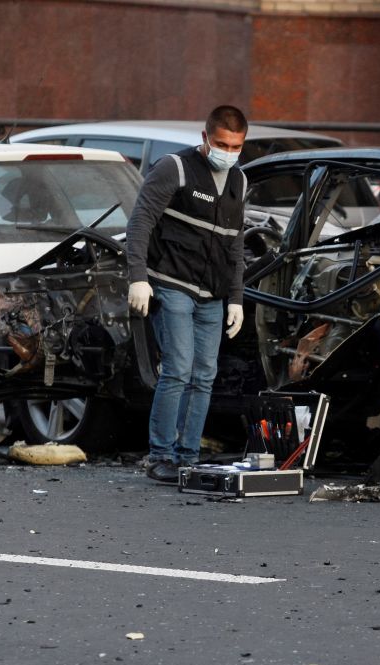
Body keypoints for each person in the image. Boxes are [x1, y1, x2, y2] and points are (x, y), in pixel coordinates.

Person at [125, 105, 249, 483]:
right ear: (205, 138)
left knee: (205, 375)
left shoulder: (239, 183)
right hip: (172, 284)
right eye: (222, 144)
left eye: (237, 146)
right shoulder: (174, 169)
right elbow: (140, 222)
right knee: (178, 370)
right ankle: (161, 455)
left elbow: (235, 245)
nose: (228, 152)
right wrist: (138, 278)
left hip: (212, 294)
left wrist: (237, 298)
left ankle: (187, 455)